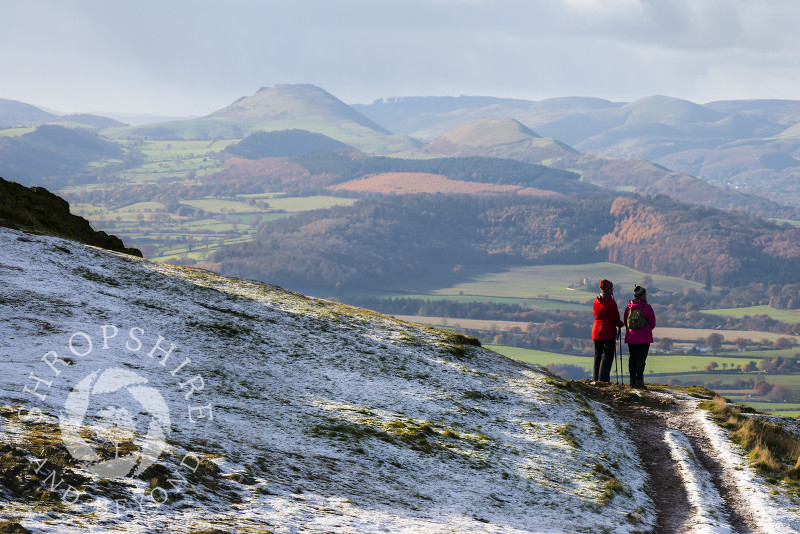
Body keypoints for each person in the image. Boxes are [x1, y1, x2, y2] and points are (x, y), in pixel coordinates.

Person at [623, 285, 656, 389]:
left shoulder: (629, 306)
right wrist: (645, 329)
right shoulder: (647, 307)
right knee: (641, 360)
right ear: (644, 296)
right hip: (644, 338)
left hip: (631, 338)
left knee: (632, 358)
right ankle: (639, 381)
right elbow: (652, 323)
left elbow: (625, 321)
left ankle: (632, 381)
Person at [592, 279, 623, 383]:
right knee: (608, 355)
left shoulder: (596, 301)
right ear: (609, 289)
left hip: (596, 331)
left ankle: (596, 378)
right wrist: (620, 324)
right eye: (612, 288)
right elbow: (615, 318)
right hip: (608, 332)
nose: (613, 290)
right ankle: (603, 379)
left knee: (598, 355)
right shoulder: (611, 302)